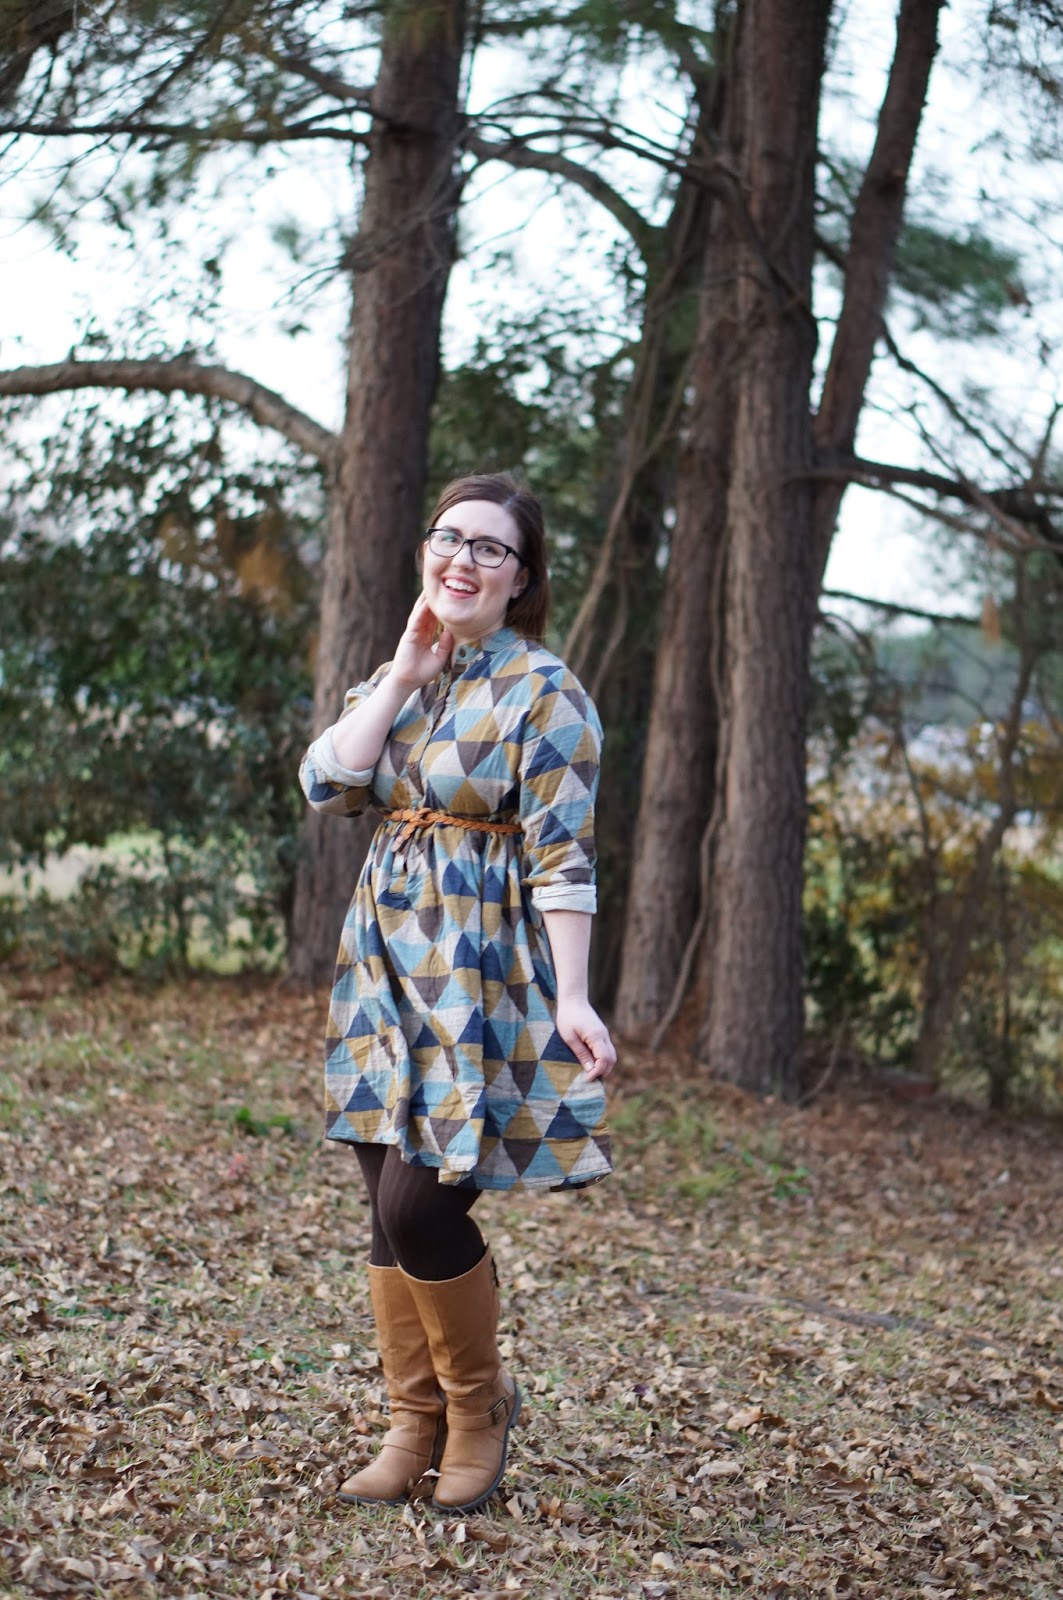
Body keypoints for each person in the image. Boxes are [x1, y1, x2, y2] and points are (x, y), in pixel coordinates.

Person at [299, 472, 617, 1516]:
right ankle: (411, 1423)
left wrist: (575, 996)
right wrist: (400, 676)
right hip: (384, 969)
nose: (463, 561)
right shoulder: (406, 674)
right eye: (450, 539)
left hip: (482, 984)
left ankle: (479, 1411)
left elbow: (564, 859)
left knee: (418, 1205)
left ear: (522, 577)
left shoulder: (548, 694)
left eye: (490, 548)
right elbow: (326, 782)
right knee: (382, 1210)